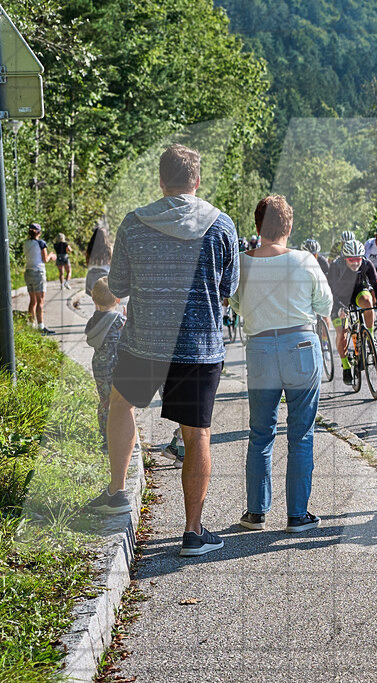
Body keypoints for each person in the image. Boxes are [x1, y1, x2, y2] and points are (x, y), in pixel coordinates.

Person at [85, 144, 239, 559]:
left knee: (121, 405)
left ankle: (117, 491)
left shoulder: (134, 225)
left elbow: (118, 287)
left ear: (161, 180)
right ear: (197, 180)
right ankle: (192, 532)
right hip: (199, 347)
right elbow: (227, 292)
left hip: (143, 344)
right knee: (196, 433)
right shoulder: (222, 226)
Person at [229, 195, 332, 533]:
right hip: (300, 346)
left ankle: (256, 513)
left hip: (260, 349)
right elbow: (325, 305)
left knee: (260, 433)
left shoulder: (242, 263)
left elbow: (239, 308)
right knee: (301, 434)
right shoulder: (305, 261)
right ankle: (297, 515)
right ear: (289, 226)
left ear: (257, 226)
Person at [326, 239, 377, 384]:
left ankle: (369, 337)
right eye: (351, 260)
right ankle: (346, 366)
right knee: (342, 333)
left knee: (368, 300)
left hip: (357, 292)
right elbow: (330, 292)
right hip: (338, 299)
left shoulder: (366, 264)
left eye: (357, 259)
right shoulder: (335, 266)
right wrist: (339, 307)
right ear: (345, 258)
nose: (355, 263)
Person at [84, 277, 126, 453]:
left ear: (93, 299)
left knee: (104, 401)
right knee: (117, 402)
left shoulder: (93, 321)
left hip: (99, 367)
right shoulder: (119, 320)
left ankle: (104, 438)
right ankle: (116, 437)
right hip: (115, 366)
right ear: (117, 299)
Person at [23, 223, 55, 334]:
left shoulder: (26, 243)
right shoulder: (41, 243)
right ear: (39, 232)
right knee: (40, 301)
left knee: (32, 301)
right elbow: (45, 259)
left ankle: (31, 325)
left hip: (28, 272)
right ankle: (41, 327)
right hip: (38, 273)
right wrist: (51, 255)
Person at [85, 219, 113, 296]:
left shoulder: (90, 247)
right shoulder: (108, 247)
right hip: (104, 275)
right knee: (104, 300)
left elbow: (87, 261)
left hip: (92, 275)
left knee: (96, 299)